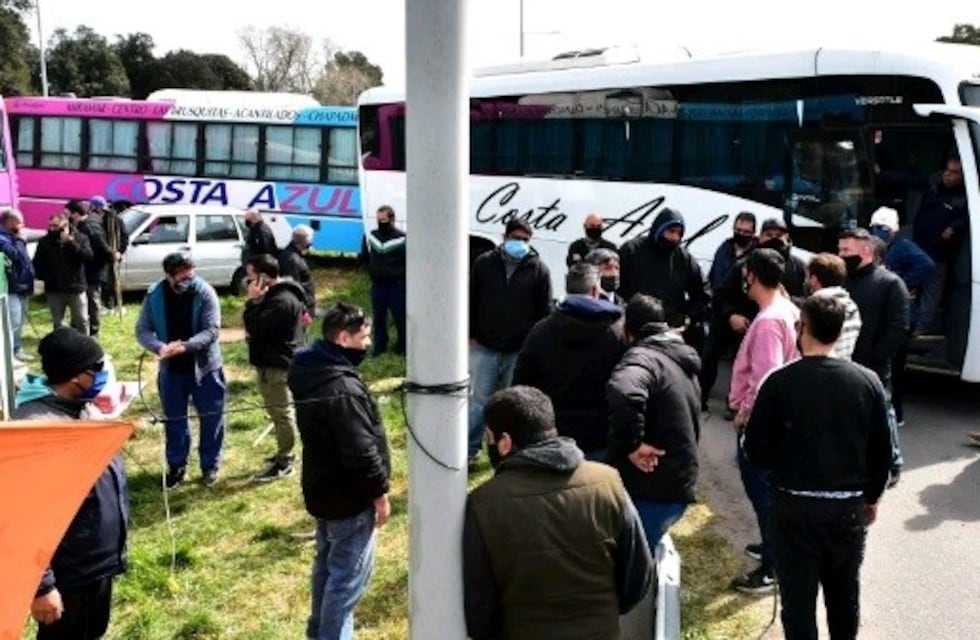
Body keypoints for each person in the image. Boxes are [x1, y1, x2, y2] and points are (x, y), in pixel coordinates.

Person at [742, 295, 892, 640]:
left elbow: (755, 450)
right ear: (839, 333)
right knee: (844, 596)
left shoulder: (779, 382)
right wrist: (872, 497)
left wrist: (780, 468)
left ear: (801, 327)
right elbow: (881, 451)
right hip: (847, 509)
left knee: (798, 601)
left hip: (793, 507)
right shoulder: (867, 381)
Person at [463, 386, 653, 640]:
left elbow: (478, 603)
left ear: (505, 442)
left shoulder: (483, 503)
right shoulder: (608, 482)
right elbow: (638, 574)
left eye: (489, 438)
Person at [15, 328, 129, 640]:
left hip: (95, 565)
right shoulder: (38, 430)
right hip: (68, 576)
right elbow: (22, 517)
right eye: (98, 368)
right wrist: (42, 586)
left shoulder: (80, 408)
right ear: (76, 376)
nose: (104, 374)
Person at [288, 302, 391, 640]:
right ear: (344, 338)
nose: (369, 343)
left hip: (321, 487)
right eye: (364, 337)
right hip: (350, 497)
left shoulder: (311, 369)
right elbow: (361, 451)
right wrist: (379, 494)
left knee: (326, 568)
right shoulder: (342, 388)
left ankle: (318, 631)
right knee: (346, 583)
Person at [728, 248, 800, 594]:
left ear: (753, 276)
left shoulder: (770, 320)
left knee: (764, 496)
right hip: (780, 419)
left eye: (746, 274)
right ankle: (773, 548)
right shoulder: (786, 308)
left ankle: (773, 567)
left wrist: (744, 415)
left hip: (762, 423)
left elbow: (765, 379)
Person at [607, 293, 702, 548]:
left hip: (653, 486)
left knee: (634, 560)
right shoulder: (676, 356)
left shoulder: (643, 358)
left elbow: (624, 391)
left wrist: (632, 445)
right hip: (676, 481)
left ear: (628, 331)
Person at [512, 262, 627, 459]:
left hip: (553, 428)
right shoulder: (615, 332)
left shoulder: (541, 330)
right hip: (600, 430)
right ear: (595, 290)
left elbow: (523, 381)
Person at [136, 253, 226, 489]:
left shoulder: (205, 293)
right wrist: (159, 347)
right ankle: (177, 466)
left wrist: (186, 346)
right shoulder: (154, 295)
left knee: (212, 418)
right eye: (183, 278)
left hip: (205, 368)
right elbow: (142, 330)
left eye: (191, 276)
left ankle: (210, 465)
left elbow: (212, 331)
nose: (189, 281)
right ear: (169, 276)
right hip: (171, 369)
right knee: (174, 420)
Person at [468, 219, 553, 466]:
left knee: (509, 405)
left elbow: (544, 313)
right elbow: (471, 299)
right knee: (479, 402)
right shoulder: (484, 263)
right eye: (516, 238)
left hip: (518, 350)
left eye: (525, 239)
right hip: (484, 346)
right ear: (504, 236)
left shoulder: (539, 270)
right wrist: (471, 334)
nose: (520, 243)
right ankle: (470, 451)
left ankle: (505, 454)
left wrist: (533, 347)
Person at [702, 217, 806, 415]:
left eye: (779, 235)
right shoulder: (744, 265)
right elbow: (721, 294)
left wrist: (747, 412)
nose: (774, 239)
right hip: (740, 325)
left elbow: (765, 375)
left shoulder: (797, 268)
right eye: (769, 235)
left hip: (771, 332)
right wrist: (731, 315)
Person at [839, 228, 909, 488]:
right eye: (840, 250)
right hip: (844, 361)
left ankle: (892, 463)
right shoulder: (843, 281)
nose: (841, 255)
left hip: (875, 366)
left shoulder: (890, 283)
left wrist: (876, 355)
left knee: (882, 413)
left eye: (846, 250)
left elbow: (899, 327)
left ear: (866, 251)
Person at [243, 254, 309, 482]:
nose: (247, 282)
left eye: (250, 277)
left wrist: (252, 302)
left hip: (277, 365)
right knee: (275, 411)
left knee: (282, 413)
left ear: (262, 277)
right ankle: (283, 451)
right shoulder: (272, 297)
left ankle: (285, 460)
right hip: (267, 362)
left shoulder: (282, 301)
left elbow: (256, 328)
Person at [869, 206, 935, 425]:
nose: (877, 232)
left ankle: (895, 413)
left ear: (893, 230)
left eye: (882, 228)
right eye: (874, 227)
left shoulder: (903, 247)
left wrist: (903, 284)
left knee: (894, 368)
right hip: (884, 314)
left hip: (899, 318)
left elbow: (927, 264)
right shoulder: (879, 247)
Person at [618, 207, 710, 350]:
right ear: (659, 228)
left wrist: (687, 317)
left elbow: (703, 293)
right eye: (671, 231)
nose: (675, 238)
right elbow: (616, 288)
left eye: (679, 233)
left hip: (669, 334)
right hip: (634, 331)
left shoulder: (683, 258)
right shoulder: (631, 250)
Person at [911, 154, 968, 335]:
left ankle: (921, 328)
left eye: (954, 172)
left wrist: (954, 227)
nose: (948, 175)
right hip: (918, 244)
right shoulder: (934, 183)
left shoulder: (965, 197)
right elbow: (910, 179)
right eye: (947, 170)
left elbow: (968, 217)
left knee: (931, 290)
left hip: (938, 251)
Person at [33, 213, 93, 335]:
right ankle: (62, 344)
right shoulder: (45, 241)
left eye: (55, 226)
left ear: (65, 225)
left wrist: (72, 243)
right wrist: (45, 278)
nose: (52, 229)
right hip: (54, 288)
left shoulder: (81, 238)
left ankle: (84, 343)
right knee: (58, 322)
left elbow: (88, 257)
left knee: (81, 319)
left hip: (75, 287)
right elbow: (37, 262)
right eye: (50, 226)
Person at [364, 205, 407, 355]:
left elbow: (407, 261)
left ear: (391, 219)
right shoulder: (373, 236)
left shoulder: (401, 238)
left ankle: (402, 346)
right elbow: (367, 256)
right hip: (378, 285)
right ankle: (380, 346)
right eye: (378, 219)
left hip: (396, 285)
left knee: (399, 316)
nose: (381, 222)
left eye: (383, 220)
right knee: (379, 317)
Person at [67, 199, 112, 337]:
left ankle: (93, 330)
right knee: (81, 302)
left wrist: (112, 255)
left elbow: (103, 248)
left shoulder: (90, 227)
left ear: (75, 213)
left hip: (93, 271)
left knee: (92, 302)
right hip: (82, 271)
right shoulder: (77, 225)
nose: (66, 216)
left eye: (68, 213)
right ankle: (77, 327)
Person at [805, 253, 862, 361]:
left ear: (814, 279)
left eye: (808, 276)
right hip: (843, 366)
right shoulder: (852, 306)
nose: (806, 281)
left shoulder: (816, 307)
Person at [0, 208, 35, 361]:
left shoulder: (13, 236)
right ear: (9, 223)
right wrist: (20, 240)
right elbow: (16, 256)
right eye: (20, 222)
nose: (23, 226)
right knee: (13, 321)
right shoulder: (2, 239)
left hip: (22, 286)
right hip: (10, 288)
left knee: (20, 320)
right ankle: (10, 352)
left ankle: (16, 349)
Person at [707, 212, 757, 295]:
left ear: (753, 232)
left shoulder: (757, 253)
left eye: (746, 232)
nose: (741, 234)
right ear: (733, 228)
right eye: (738, 230)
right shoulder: (724, 248)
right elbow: (714, 276)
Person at [98, 195, 129, 311]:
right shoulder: (97, 220)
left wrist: (119, 252)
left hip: (113, 254)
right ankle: (106, 303)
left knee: (112, 281)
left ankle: (114, 304)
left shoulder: (114, 220)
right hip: (102, 255)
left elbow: (124, 237)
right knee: (104, 281)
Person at [279, 224, 317, 314]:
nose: (310, 243)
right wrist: (302, 309)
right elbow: (293, 286)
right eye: (310, 240)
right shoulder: (292, 259)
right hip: (301, 307)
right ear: (305, 241)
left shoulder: (294, 254)